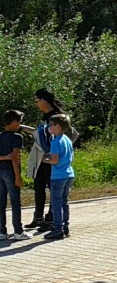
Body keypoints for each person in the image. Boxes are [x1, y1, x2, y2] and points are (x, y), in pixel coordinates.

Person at [27, 89, 66, 232]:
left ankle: (50, 219)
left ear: (43, 100)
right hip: (41, 158)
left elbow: (56, 137)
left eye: (37, 100)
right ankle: (38, 217)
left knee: (52, 187)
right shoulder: (46, 116)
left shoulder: (57, 116)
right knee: (38, 186)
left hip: (51, 157)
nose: (36, 104)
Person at [43, 113, 75, 241]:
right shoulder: (67, 139)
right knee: (64, 201)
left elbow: (54, 160)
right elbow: (71, 157)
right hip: (69, 173)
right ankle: (65, 226)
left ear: (58, 126)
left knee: (56, 203)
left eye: (51, 125)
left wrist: (46, 158)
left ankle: (57, 229)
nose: (48, 127)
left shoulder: (55, 141)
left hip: (58, 176)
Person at [0, 109, 30, 241]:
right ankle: (18, 231)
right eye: (19, 122)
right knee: (15, 202)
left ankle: (2, 231)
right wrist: (18, 177)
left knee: (1, 202)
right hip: (10, 171)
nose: (20, 125)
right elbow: (14, 158)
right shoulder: (17, 137)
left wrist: (4, 157)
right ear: (13, 122)